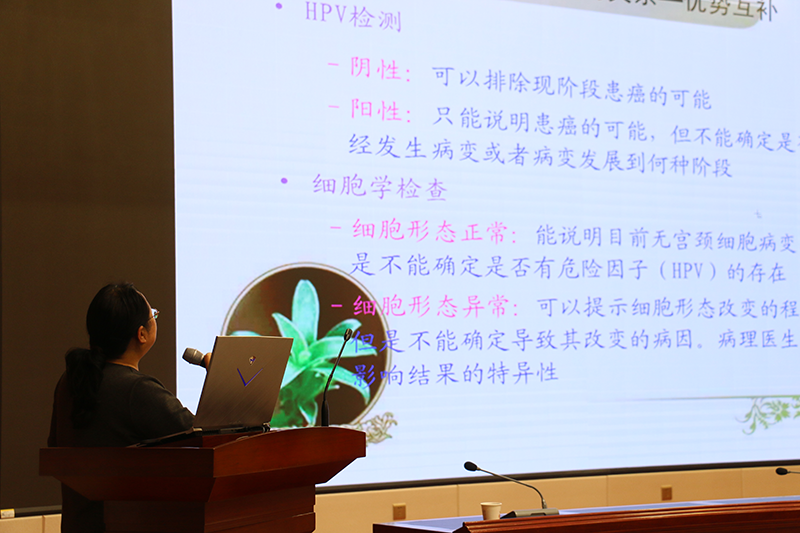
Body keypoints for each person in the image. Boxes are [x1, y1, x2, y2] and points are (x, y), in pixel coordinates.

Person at [48, 283, 200, 532]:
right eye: (153, 315)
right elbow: (204, 439)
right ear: (141, 334)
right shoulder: (137, 390)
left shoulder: (69, 382)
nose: (155, 319)